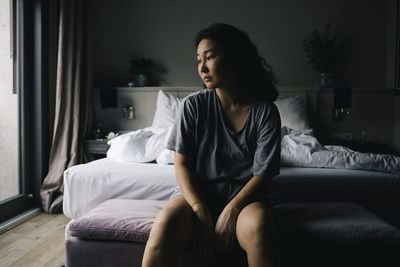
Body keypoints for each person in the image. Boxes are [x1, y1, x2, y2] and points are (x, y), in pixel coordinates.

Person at [142, 23, 282, 267]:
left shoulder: (265, 112)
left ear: (235, 57)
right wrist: (198, 208)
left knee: (260, 227)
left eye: (210, 57)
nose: (202, 68)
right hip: (195, 196)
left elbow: (263, 175)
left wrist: (232, 210)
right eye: (199, 60)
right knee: (164, 224)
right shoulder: (193, 106)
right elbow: (182, 164)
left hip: (246, 201)